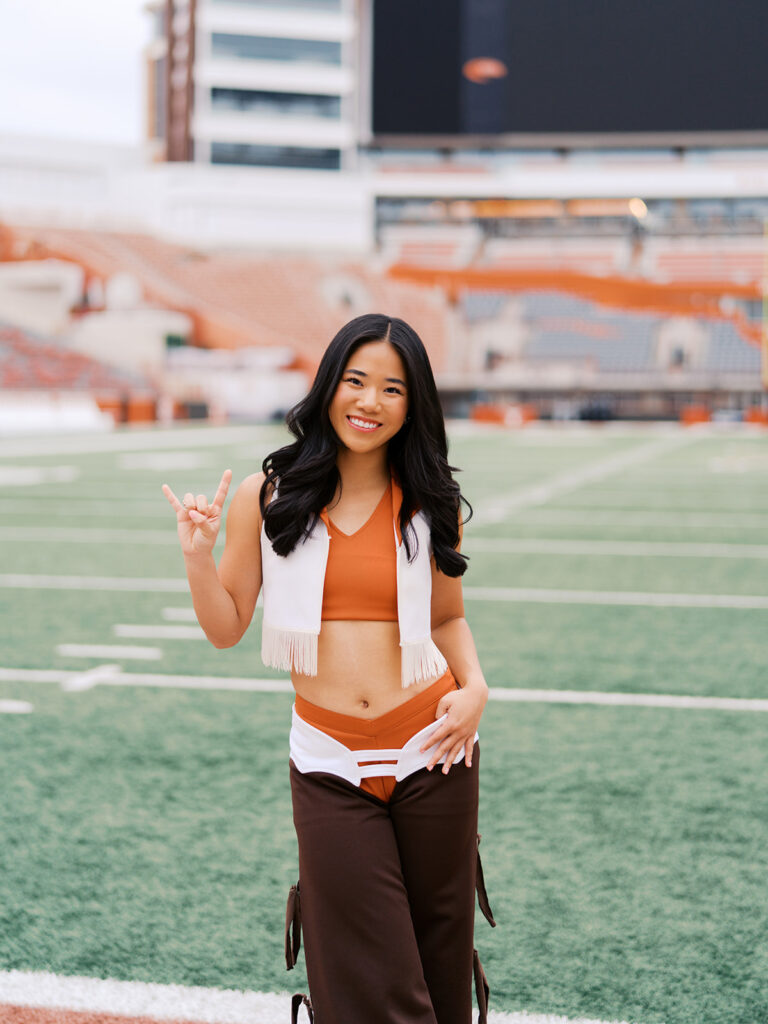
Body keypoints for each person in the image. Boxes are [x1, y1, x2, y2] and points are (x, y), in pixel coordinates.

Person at [162, 314, 492, 1024]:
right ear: (329, 385)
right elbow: (226, 628)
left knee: (440, 973)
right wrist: (197, 554)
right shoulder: (269, 494)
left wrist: (476, 687)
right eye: (356, 381)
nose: (370, 402)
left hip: (434, 751)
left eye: (393, 389)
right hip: (328, 761)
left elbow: (446, 617)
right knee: (372, 982)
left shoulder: (430, 499)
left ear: (415, 404)